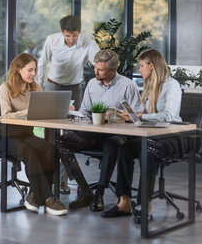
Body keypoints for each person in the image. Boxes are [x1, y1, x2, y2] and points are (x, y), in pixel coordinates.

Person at [101, 49, 182, 219]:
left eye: (142, 66)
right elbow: (142, 114)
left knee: (148, 151)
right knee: (124, 149)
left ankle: (146, 205)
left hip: (172, 137)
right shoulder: (149, 86)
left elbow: (169, 116)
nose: (140, 70)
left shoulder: (171, 85)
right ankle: (124, 203)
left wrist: (141, 116)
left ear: (151, 66)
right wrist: (130, 116)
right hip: (151, 135)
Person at [58, 49, 142, 212]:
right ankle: (85, 189)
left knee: (112, 145)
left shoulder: (128, 86)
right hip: (93, 133)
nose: (95, 72)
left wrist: (126, 117)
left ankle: (100, 193)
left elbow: (136, 117)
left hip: (117, 134)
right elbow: (84, 111)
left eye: (100, 70)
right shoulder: (91, 84)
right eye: (95, 68)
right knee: (61, 142)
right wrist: (72, 111)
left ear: (112, 70)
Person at [0, 53, 68, 216]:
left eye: (35, 70)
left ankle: (34, 195)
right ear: (18, 69)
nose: (34, 74)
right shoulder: (6, 88)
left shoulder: (35, 88)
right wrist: (28, 112)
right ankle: (49, 199)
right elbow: (6, 115)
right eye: (30, 70)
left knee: (49, 148)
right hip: (7, 136)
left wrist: (60, 109)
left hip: (25, 134)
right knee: (30, 152)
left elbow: (44, 110)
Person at [36, 14, 99, 194]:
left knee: (70, 136)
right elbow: (42, 63)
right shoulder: (52, 40)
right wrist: (39, 87)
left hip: (74, 87)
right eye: (67, 35)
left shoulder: (87, 42)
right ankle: (48, 178)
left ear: (79, 32)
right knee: (50, 134)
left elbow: (100, 61)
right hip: (53, 85)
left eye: (74, 35)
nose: (71, 39)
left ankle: (62, 181)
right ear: (62, 32)